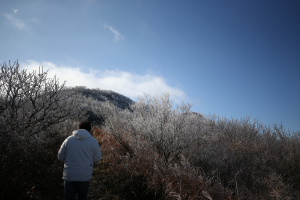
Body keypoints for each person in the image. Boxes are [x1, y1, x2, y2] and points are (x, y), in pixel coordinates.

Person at [58, 120, 102, 200]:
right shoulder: (93, 141)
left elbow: (60, 156)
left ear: (78, 129)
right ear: (89, 130)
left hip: (69, 175)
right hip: (84, 176)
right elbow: (97, 158)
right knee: (82, 197)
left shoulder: (68, 140)